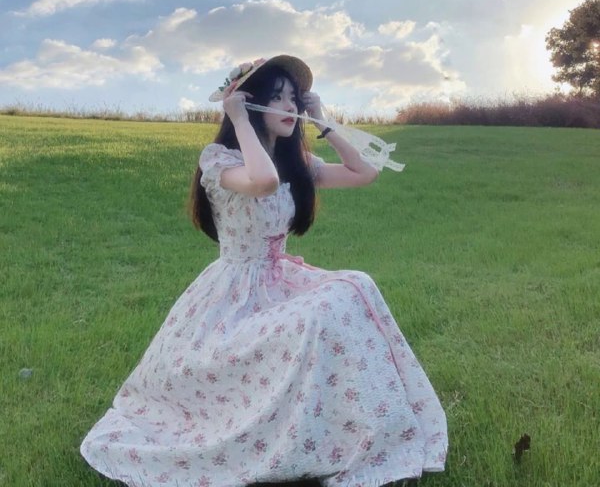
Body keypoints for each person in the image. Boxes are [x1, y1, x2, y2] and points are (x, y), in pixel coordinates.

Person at [81, 54, 447, 487]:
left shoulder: (297, 163)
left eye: (294, 98)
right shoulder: (220, 160)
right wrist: (238, 120)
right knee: (333, 300)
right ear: (249, 103)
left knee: (354, 287)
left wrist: (322, 121)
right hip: (234, 296)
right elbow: (263, 183)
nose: (290, 107)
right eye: (277, 98)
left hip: (280, 281)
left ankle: (349, 427)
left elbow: (364, 173)